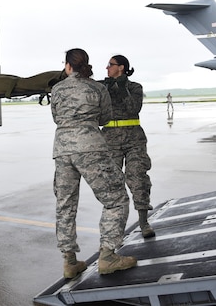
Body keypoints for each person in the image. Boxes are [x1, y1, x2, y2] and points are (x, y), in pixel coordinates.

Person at [51, 48, 137, 279]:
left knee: (65, 205)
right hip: (90, 148)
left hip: (62, 150)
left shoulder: (57, 89)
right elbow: (105, 118)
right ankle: (108, 256)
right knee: (116, 199)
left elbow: (56, 118)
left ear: (68, 66)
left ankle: (69, 262)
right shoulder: (97, 88)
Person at [100, 55, 155, 238]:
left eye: (110, 65)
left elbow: (133, 108)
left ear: (121, 67)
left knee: (137, 177)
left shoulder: (134, 87)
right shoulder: (102, 87)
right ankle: (115, 229)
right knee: (112, 183)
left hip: (133, 139)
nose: (107, 68)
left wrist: (122, 88)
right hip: (110, 140)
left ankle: (143, 222)